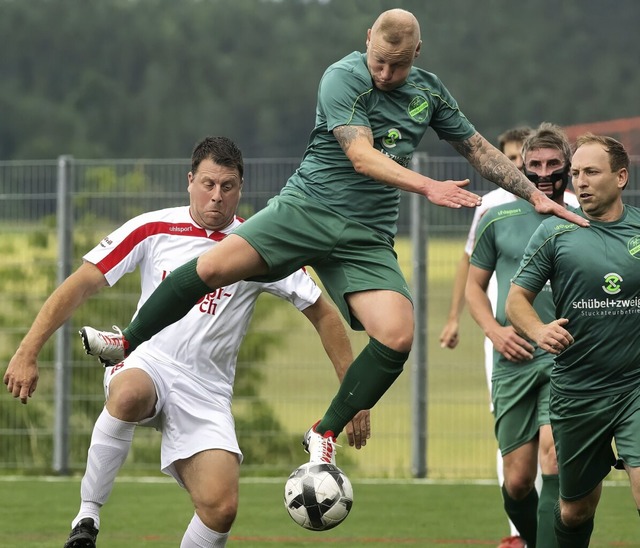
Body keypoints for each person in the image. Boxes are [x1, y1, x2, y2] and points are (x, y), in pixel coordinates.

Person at [7, 9, 586, 470]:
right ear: (368, 43)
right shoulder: (343, 76)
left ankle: (324, 432)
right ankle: (128, 343)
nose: (386, 75)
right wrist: (428, 186)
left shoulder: (429, 92)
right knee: (212, 266)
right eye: (380, 62)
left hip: (364, 236)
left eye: (398, 66)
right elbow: (360, 156)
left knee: (399, 334)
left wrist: (530, 192)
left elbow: (479, 148)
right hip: (305, 210)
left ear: (418, 55)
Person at [3, 136, 369, 548]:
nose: (217, 197)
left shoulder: (261, 244)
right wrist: (27, 351)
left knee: (221, 508)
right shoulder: (153, 227)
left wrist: (353, 397)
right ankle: (87, 519)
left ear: (240, 189)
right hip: (147, 359)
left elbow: (322, 312)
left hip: (207, 391)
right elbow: (81, 283)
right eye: (208, 184)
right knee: (128, 395)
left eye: (227, 187)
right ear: (190, 181)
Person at [506, 134, 639, 547]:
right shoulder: (553, 231)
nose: (579, 181)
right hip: (578, 391)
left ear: (620, 177)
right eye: (577, 173)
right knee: (575, 510)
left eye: (591, 172)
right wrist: (539, 330)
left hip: (635, 385)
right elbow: (516, 302)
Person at [466, 122, 579, 548]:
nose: (545, 171)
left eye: (554, 163)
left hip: (565, 359)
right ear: (522, 168)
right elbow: (473, 288)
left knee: (553, 459)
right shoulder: (496, 218)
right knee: (516, 481)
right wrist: (494, 332)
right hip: (512, 359)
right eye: (535, 164)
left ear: (567, 167)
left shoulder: (582, 218)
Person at [439, 126, 533, 548]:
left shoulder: (559, 206)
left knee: (551, 441)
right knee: (508, 433)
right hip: (499, 336)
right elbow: (469, 265)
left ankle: (554, 525)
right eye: (508, 158)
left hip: (549, 337)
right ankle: (517, 533)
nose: (515, 166)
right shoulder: (489, 206)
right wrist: (455, 317)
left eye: (521, 158)